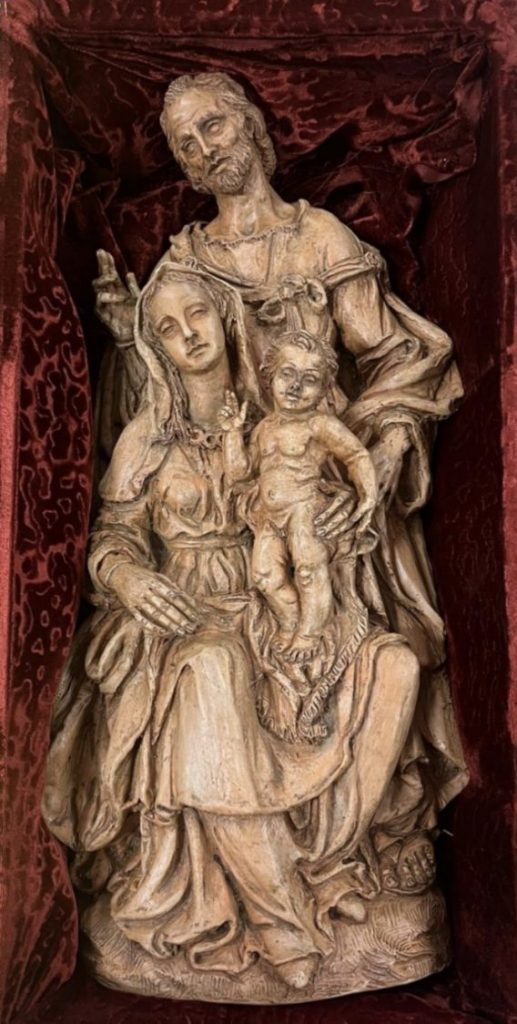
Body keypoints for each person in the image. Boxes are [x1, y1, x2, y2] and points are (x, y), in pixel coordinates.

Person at [43, 263, 435, 993]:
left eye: (196, 314)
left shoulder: (281, 407)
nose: (187, 335)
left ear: (225, 318)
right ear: (154, 346)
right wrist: (130, 580)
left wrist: (338, 511)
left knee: (394, 666)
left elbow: (340, 481)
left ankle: (324, 864)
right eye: (166, 328)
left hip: (280, 602)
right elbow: (112, 538)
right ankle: (280, 923)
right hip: (183, 612)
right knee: (213, 670)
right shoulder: (148, 437)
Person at [93, 73, 467, 818]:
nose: (205, 149)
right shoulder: (184, 264)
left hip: (323, 488)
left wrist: (380, 457)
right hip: (225, 491)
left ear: (252, 126)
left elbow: (395, 358)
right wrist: (129, 341)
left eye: (214, 126)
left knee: (359, 641)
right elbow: (163, 396)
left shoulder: (319, 239)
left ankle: (341, 831)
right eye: (186, 144)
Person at [219, 331, 377, 659]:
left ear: (325, 389)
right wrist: (232, 433)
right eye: (287, 374)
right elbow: (240, 473)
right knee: (264, 576)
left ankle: (310, 633)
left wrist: (368, 495)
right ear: (269, 378)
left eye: (310, 379)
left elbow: (356, 455)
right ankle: (291, 620)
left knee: (308, 570)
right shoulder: (263, 429)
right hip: (267, 516)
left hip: (304, 508)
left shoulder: (319, 425)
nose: (295, 386)